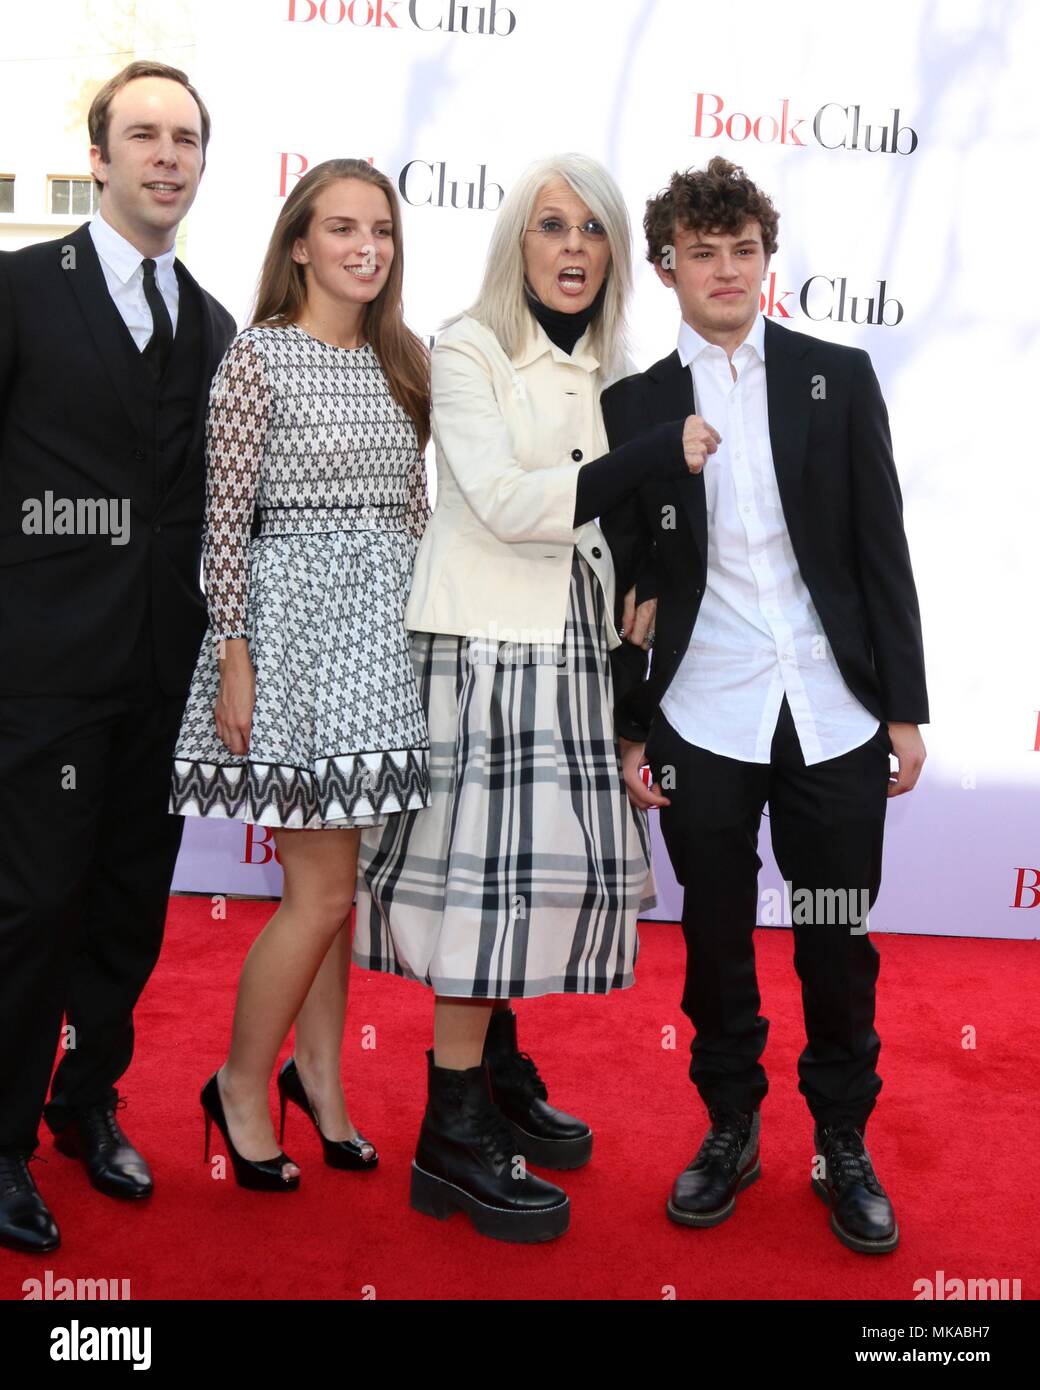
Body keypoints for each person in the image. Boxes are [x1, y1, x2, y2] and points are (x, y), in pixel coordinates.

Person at [354, 153, 707, 1243]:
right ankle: (449, 1138)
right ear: (518, 242)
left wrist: (644, 571)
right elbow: (509, 502)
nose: (571, 247)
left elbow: (627, 513)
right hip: (482, 644)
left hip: (566, 644)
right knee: (483, 887)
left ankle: (495, 1072)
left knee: (515, 876)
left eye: (591, 230)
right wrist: (650, 454)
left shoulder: (614, 361)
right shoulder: (464, 348)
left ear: (612, 255)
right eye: (551, 226)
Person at [600, 156, 928, 1254]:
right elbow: (628, 577)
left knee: (834, 932)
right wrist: (632, 722)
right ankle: (730, 1125)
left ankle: (841, 1140)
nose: (726, 270)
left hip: (831, 710)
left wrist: (901, 705)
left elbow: (881, 551)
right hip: (702, 711)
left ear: (764, 259)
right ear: (667, 268)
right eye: (703, 253)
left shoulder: (835, 376)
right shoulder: (636, 405)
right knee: (714, 931)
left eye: (743, 250)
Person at [0, 62, 236, 1253]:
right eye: (141, 135)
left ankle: (83, 1104)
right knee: (31, 905)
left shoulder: (210, 323)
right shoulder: (18, 291)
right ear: (98, 158)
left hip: (163, 670)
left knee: (126, 907)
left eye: (185, 138)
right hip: (39, 668)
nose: (165, 156)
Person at [169, 159, 432, 1191]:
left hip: (379, 643)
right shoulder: (256, 359)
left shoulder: (401, 357)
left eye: (381, 229)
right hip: (289, 647)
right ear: (298, 245)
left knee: (338, 887)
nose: (365, 246)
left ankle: (319, 1077)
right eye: (341, 228)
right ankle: (239, 1082)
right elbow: (222, 523)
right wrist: (233, 650)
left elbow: (414, 511)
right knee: (319, 891)